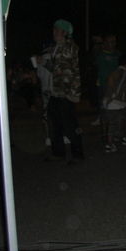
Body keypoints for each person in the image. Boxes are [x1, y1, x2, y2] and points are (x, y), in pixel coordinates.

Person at [45, 19, 84, 163]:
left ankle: (77, 154)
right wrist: (45, 63)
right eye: (54, 29)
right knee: (54, 121)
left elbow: (67, 70)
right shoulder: (57, 47)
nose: (54, 32)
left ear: (65, 32)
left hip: (66, 91)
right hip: (57, 91)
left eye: (57, 30)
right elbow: (57, 69)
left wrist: (69, 92)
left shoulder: (68, 47)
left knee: (70, 124)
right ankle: (58, 152)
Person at [102, 54, 126, 152]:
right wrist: (112, 94)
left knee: (113, 123)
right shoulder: (123, 71)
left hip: (112, 102)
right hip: (116, 102)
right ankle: (119, 140)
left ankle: (111, 142)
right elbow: (111, 79)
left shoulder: (119, 71)